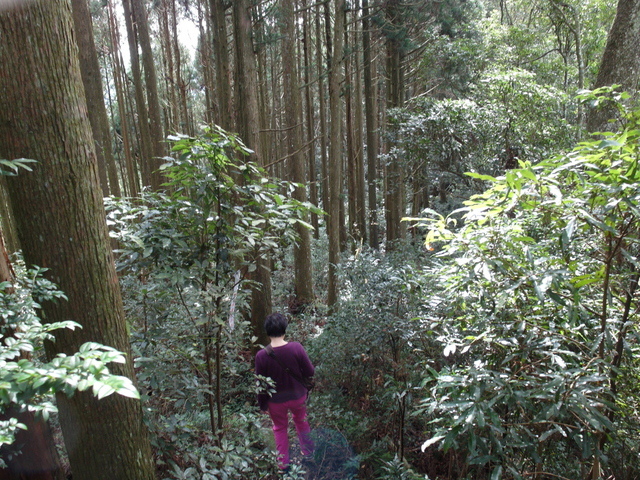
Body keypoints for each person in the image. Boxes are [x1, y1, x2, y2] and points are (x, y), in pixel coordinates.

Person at [255, 312, 315, 471]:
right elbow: (310, 372)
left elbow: (261, 385)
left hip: (275, 402)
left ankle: (283, 465)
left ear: (267, 332)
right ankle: (309, 453)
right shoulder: (296, 347)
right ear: (284, 329)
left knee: (279, 428)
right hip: (298, 396)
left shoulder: (261, 355)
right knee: (301, 421)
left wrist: (262, 405)